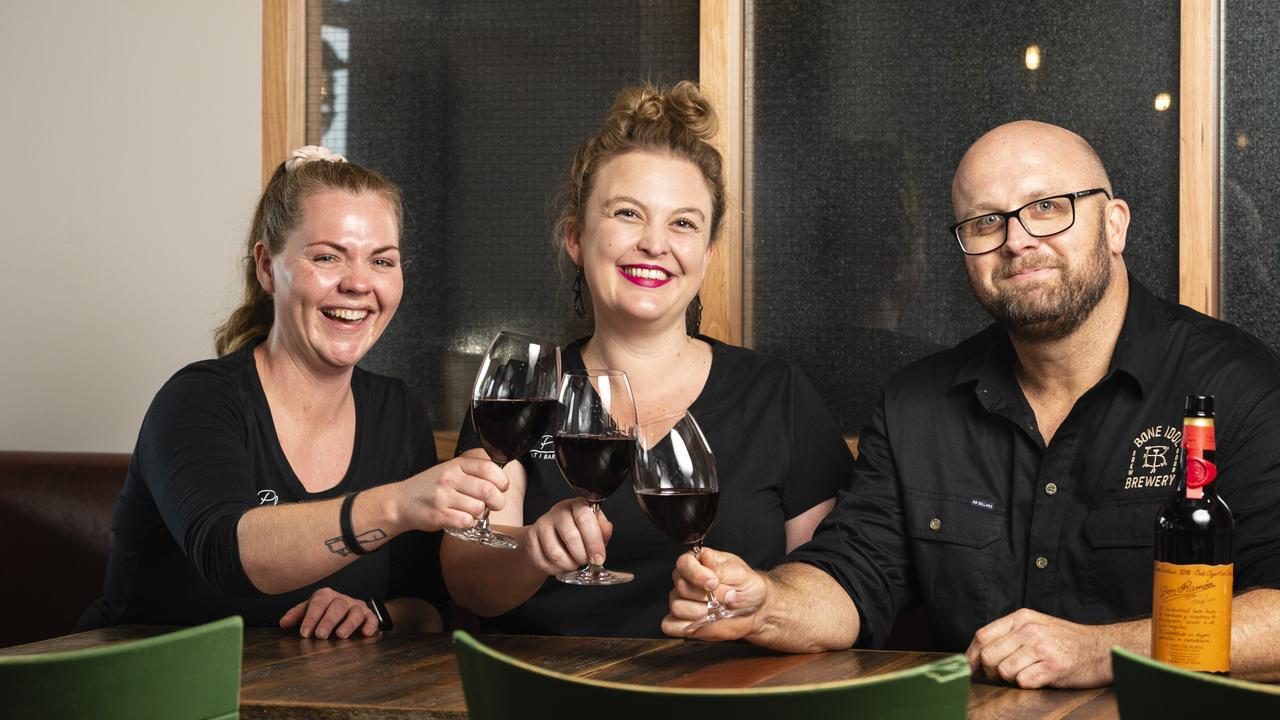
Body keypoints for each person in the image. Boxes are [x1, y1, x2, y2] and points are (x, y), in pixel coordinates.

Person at [663, 120, 1280, 687]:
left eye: (1046, 208)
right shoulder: (918, 405)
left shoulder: (1233, 386)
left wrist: (1106, 650)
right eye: (985, 222)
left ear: (1114, 224)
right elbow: (852, 577)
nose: (1016, 240)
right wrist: (766, 603)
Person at [440, 81, 852, 637]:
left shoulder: (775, 393)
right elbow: (467, 578)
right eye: (628, 214)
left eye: (683, 222)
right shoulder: (523, 390)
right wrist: (531, 550)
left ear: (706, 255)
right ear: (576, 239)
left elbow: (829, 583)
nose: (655, 244)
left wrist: (767, 600)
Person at [79, 147, 508, 639]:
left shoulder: (398, 410)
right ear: (267, 267)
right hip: (146, 692)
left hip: (306, 699)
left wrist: (377, 612)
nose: (359, 284)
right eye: (327, 257)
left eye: (382, 261)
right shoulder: (197, 399)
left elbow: (430, 610)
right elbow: (226, 554)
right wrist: (397, 505)